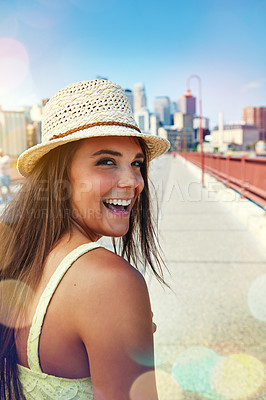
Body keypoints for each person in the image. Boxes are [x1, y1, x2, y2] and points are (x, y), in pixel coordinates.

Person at [0, 79, 170, 400]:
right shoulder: (109, 281)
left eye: (136, 163)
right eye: (106, 161)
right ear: (59, 175)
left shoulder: (24, 256)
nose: (133, 181)